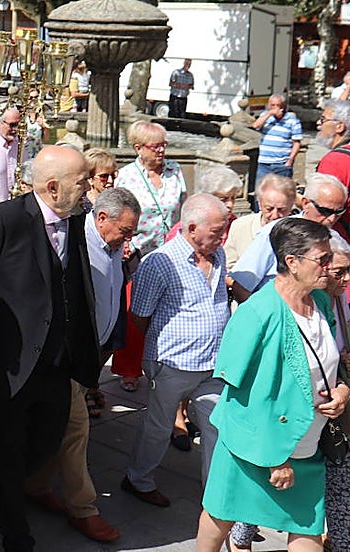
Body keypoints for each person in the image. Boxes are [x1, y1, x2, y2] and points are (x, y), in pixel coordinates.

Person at [0, 146, 96, 552]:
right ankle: (18, 540)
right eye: (82, 182)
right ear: (52, 187)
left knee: (44, 447)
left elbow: (73, 285)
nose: (89, 190)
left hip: (56, 363)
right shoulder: (4, 221)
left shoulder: (76, 218)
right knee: (9, 455)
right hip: (8, 369)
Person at [196, 218, 347, 552]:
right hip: (253, 448)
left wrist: (342, 390)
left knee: (306, 526)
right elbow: (238, 395)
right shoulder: (256, 313)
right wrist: (274, 459)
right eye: (321, 260)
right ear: (291, 262)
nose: (328, 267)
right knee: (221, 516)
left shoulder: (321, 301)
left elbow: (333, 362)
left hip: (308, 445)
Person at [23, 187, 140, 543]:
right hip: (68, 357)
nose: (129, 239)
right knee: (76, 431)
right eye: (126, 230)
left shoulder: (114, 245)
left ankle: (36, 484)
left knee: (58, 428)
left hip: (92, 356)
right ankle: (84, 509)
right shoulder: (76, 245)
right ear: (102, 218)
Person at [122, 194, 232, 509]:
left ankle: (218, 498)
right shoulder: (160, 262)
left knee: (218, 427)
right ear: (192, 227)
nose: (222, 237)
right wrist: (166, 345)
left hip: (213, 363)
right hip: (172, 363)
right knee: (157, 427)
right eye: (216, 231)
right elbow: (140, 314)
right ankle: (137, 480)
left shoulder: (218, 253)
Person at [113, 120, 187, 392]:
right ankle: (129, 369)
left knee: (167, 312)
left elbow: (183, 207)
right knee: (135, 314)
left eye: (164, 145)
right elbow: (119, 212)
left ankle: (162, 364)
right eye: (156, 146)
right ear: (138, 148)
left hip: (170, 252)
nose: (161, 151)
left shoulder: (175, 170)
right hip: (138, 255)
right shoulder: (127, 176)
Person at [229, 173, 350, 302]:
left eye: (338, 213)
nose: (332, 219)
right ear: (306, 203)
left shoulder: (335, 236)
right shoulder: (276, 232)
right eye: (325, 211)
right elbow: (241, 286)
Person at [321, 249, 350, 552]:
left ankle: (339, 541)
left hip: (338, 406)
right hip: (310, 406)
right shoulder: (304, 306)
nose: (347, 278)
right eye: (339, 271)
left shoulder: (340, 301)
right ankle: (241, 537)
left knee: (341, 475)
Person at [226, 173, 297, 267]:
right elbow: (228, 265)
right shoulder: (240, 226)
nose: (275, 215)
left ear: (291, 206)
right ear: (259, 204)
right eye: (269, 209)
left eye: (281, 210)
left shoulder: (297, 232)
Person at [314, 99, 350, 236]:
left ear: (339, 126)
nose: (318, 123)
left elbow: (323, 211)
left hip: (341, 239)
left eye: (323, 119)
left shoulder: (334, 161)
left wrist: (298, 198)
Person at [252, 94, 303, 187]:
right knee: (260, 191)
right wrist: (270, 113)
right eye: (272, 105)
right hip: (264, 163)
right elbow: (256, 125)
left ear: (283, 106)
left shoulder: (292, 121)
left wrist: (289, 161)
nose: (275, 108)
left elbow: (296, 142)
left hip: (281, 164)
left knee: (282, 192)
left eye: (278, 105)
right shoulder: (265, 116)